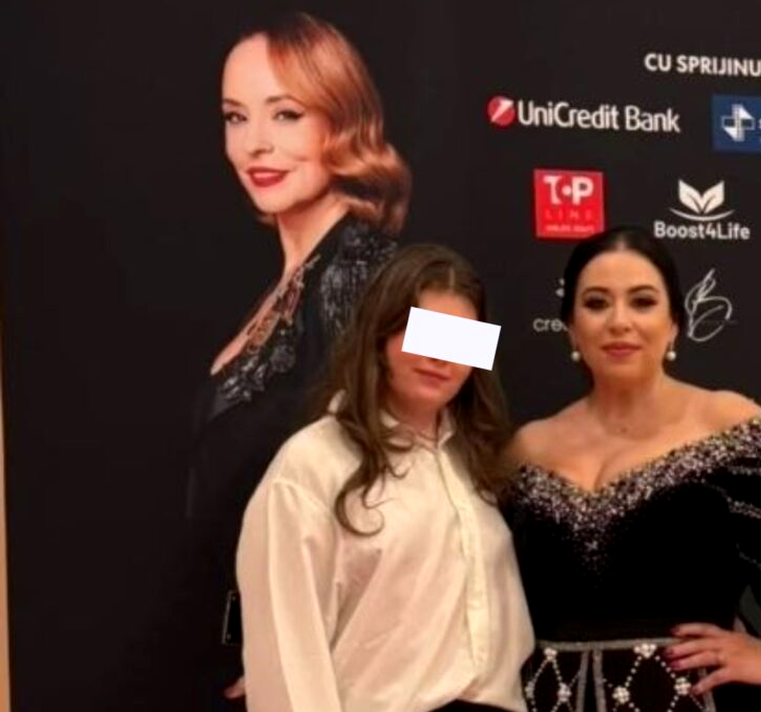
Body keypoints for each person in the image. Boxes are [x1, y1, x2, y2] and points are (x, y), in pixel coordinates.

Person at [504, 226, 761, 712]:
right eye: (597, 303)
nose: (619, 321)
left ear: (674, 324)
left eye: (642, 302)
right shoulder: (527, 447)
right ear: (571, 327)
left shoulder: (724, 423)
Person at [184, 11, 410, 708]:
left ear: (342, 121)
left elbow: (485, 363)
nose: (255, 143)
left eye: (286, 114)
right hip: (241, 651)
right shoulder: (284, 283)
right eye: (235, 117)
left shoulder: (367, 269)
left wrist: (320, 652)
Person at [236, 245, 534, 712]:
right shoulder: (313, 465)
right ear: (380, 334)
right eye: (425, 333)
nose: (440, 357)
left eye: (459, 340)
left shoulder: (476, 462)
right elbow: (288, 656)